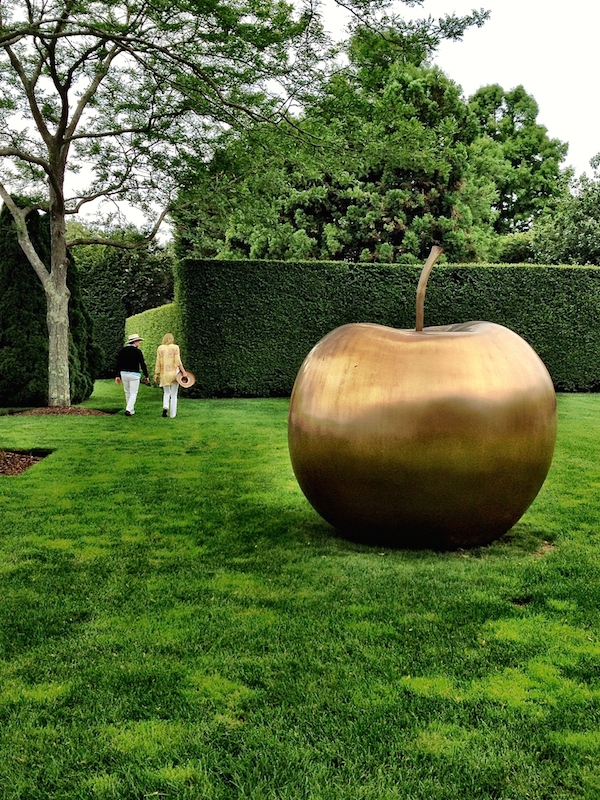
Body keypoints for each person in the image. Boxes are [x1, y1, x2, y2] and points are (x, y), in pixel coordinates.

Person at [115, 333, 149, 416]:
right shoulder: (138, 351)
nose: (139, 343)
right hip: (134, 374)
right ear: (135, 342)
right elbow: (142, 364)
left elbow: (118, 363)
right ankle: (128, 409)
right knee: (133, 393)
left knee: (127, 392)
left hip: (124, 373)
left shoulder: (123, 351)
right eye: (139, 341)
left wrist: (117, 375)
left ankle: (131, 409)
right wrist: (146, 375)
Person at [154, 333, 188, 418]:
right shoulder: (175, 347)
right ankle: (173, 415)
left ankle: (165, 407)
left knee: (166, 392)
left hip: (164, 374)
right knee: (174, 394)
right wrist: (183, 371)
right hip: (174, 373)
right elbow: (178, 361)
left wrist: (156, 374)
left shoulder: (160, 348)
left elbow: (158, 362)